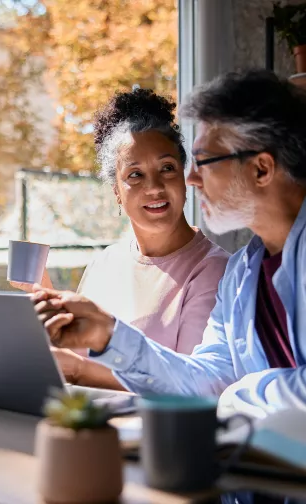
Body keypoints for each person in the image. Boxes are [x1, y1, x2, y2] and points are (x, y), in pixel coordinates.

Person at [33, 69, 306, 418]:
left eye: (205, 162)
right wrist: (109, 336)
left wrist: (237, 395)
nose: (191, 179)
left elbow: (223, 392)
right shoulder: (241, 275)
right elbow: (205, 382)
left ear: (261, 169)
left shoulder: (220, 268)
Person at [42, 89, 229, 389]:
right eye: (135, 175)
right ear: (116, 191)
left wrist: (80, 370)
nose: (154, 187)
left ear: (183, 175)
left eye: (166, 168)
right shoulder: (103, 264)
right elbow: (66, 357)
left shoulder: (214, 272)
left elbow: (193, 385)